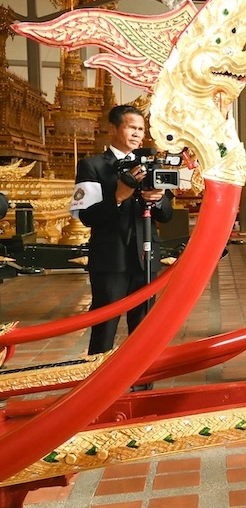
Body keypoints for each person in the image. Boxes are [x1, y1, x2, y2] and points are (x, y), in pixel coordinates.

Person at [69, 104, 174, 357]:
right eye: (131, 127)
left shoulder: (151, 162)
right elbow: (87, 216)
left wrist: (158, 199)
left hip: (146, 258)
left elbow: (167, 215)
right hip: (110, 259)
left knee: (146, 326)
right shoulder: (92, 165)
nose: (137, 134)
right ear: (113, 128)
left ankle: (143, 385)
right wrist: (117, 196)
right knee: (105, 325)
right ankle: (98, 386)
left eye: (141, 129)